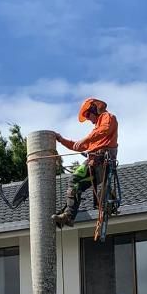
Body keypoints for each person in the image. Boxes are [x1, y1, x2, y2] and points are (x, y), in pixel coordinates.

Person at [53, 97, 119, 227]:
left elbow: (104, 130)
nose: (88, 119)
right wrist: (61, 139)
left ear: (95, 108)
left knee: (101, 195)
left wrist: (85, 140)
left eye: (88, 115)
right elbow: (78, 146)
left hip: (103, 161)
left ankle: (107, 197)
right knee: (74, 181)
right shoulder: (95, 132)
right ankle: (69, 216)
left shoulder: (108, 117)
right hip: (93, 163)